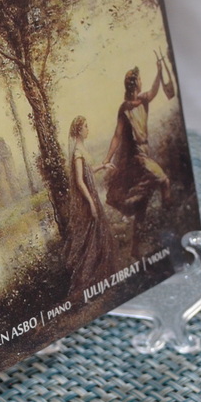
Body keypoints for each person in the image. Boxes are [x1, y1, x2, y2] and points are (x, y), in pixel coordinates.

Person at [101, 59, 172, 226]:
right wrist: (107, 158)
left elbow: (154, 90)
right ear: (134, 84)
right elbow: (117, 135)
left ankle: (137, 239)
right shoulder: (125, 109)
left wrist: (159, 71)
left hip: (145, 152)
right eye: (140, 79)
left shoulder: (143, 99)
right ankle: (168, 218)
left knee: (143, 201)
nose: (142, 82)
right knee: (164, 180)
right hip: (137, 156)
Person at [63, 116, 115, 296]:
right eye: (85, 126)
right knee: (91, 237)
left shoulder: (82, 149)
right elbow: (79, 181)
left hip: (93, 195)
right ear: (78, 130)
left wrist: (103, 166)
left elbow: (89, 171)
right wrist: (91, 203)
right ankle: (88, 282)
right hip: (88, 200)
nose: (88, 129)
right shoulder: (77, 152)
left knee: (99, 233)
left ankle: (102, 278)